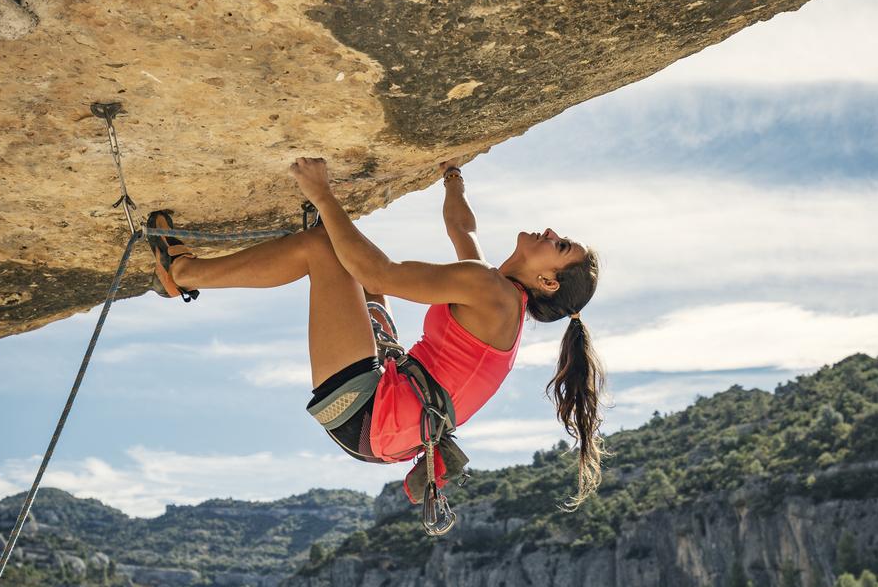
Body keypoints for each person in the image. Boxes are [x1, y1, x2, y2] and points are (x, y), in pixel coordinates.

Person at [146, 157, 605, 506]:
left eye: (559, 245)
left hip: (369, 414)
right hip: (389, 421)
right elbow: (461, 227)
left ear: (548, 282)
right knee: (350, 257)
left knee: (324, 249)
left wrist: (324, 196)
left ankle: (183, 272)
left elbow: (383, 274)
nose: (549, 232)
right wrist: (452, 177)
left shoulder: (492, 293)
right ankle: (199, 268)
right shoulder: (496, 289)